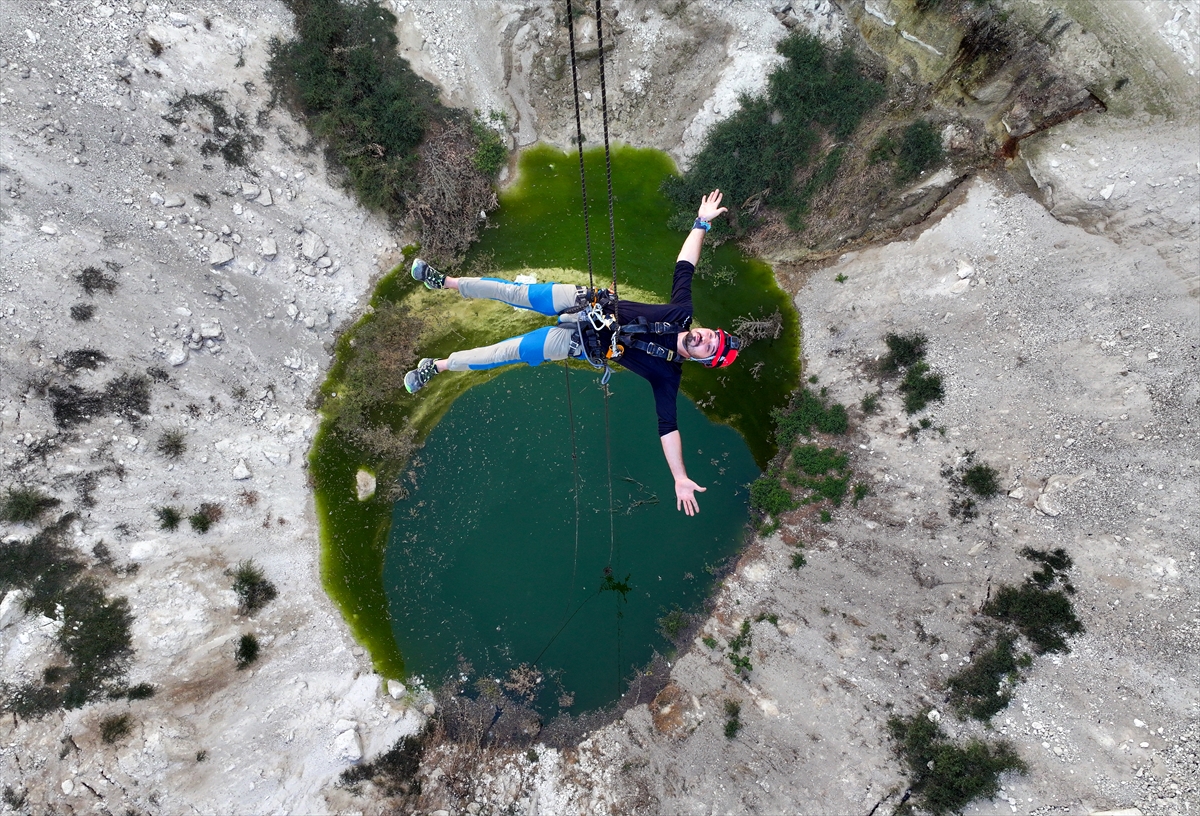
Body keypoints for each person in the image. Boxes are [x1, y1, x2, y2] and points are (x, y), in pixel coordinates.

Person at [403, 190, 740, 516]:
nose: (706, 338)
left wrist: (679, 477)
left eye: (710, 348)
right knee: (513, 292)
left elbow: (668, 427)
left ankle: (437, 366)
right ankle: (443, 281)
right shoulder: (680, 313)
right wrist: (701, 223)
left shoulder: (667, 375)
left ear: (702, 360)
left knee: (503, 353)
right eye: (712, 335)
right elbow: (685, 266)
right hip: (584, 301)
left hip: (577, 342)